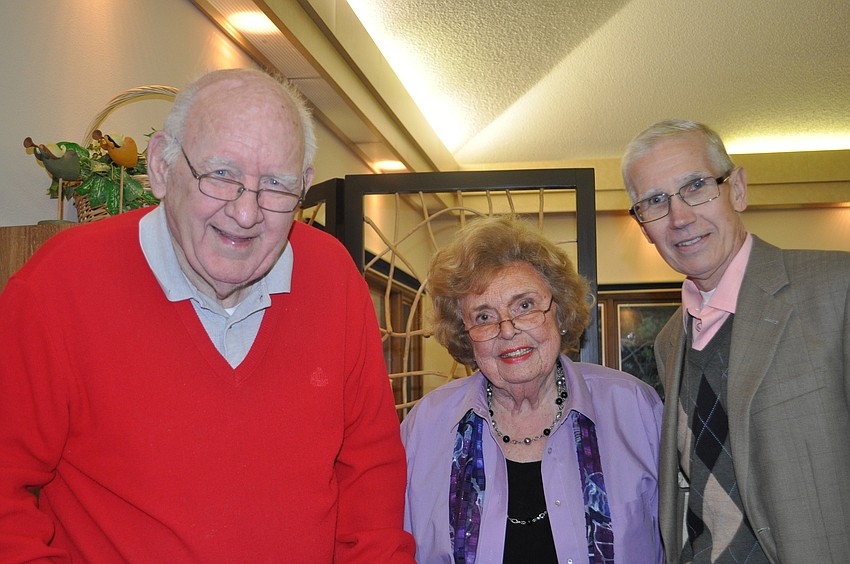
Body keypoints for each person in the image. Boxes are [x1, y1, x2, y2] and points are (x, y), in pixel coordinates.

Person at [0, 68, 415, 562]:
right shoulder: (59, 283)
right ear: (160, 166)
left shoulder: (332, 276)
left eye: (276, 185)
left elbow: (370, 473)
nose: (246, 213)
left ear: (303, 189)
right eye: (222, 175)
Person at [621, 119, 850, 563]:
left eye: (695, 186)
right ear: (644, 227)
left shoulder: (835, 289)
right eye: (655, 201)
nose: (680, 216)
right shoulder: (670, 341)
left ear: (738, 189)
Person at [402, 215, 664, 563]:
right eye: (483, 316)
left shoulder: (633, 407)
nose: (507, 330)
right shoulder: (426, 426)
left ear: (558, 311)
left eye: (524, 306)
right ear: (464, 333)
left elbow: (684, 536)